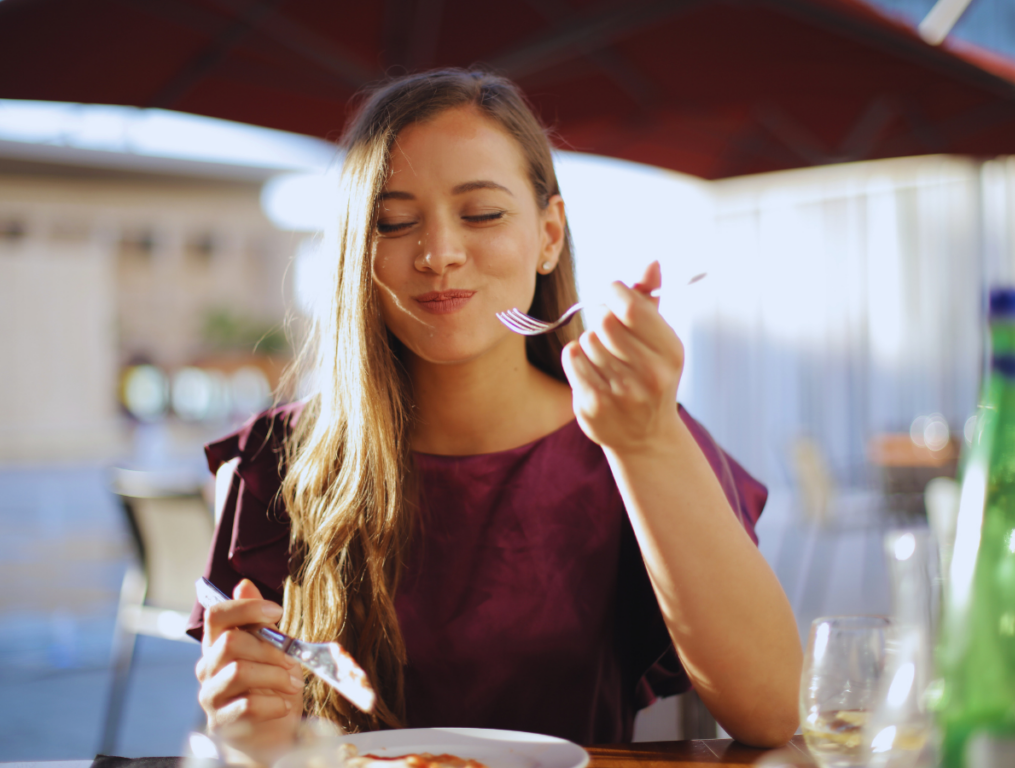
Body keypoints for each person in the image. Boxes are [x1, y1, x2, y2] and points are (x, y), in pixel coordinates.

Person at [187, 68, 802, 765]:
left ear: (548, 235)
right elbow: (259, 737)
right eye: (393, 222)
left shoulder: (634, 436)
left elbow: (773, 710)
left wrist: (648, 442)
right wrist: (244, 719)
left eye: (481, 214)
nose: (439, 253)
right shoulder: (277, 462)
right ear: (359, 252)